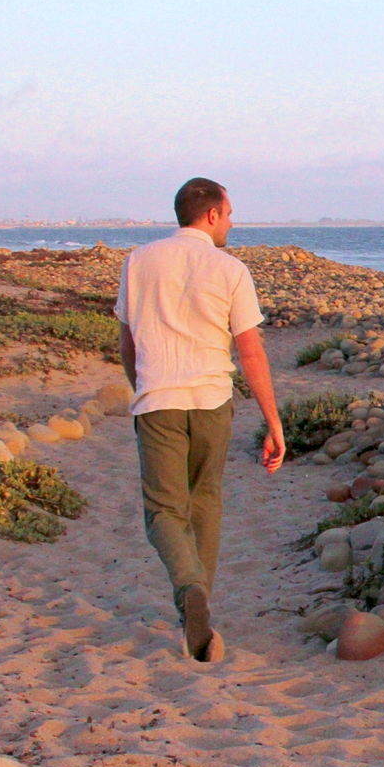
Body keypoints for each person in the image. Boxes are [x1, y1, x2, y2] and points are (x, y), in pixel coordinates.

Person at [115, 177, 286, 661]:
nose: (232, 222)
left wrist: (140, 386)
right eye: (229, 214)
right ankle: (199, 603)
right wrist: (273, 422)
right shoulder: (229, 268)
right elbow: (250, 351)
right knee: (205, 500)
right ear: (211, 214)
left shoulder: (139, 261)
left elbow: (128, 345)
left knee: (164, 511)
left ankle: (189, 592)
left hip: (158, 401)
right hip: (212, 401)